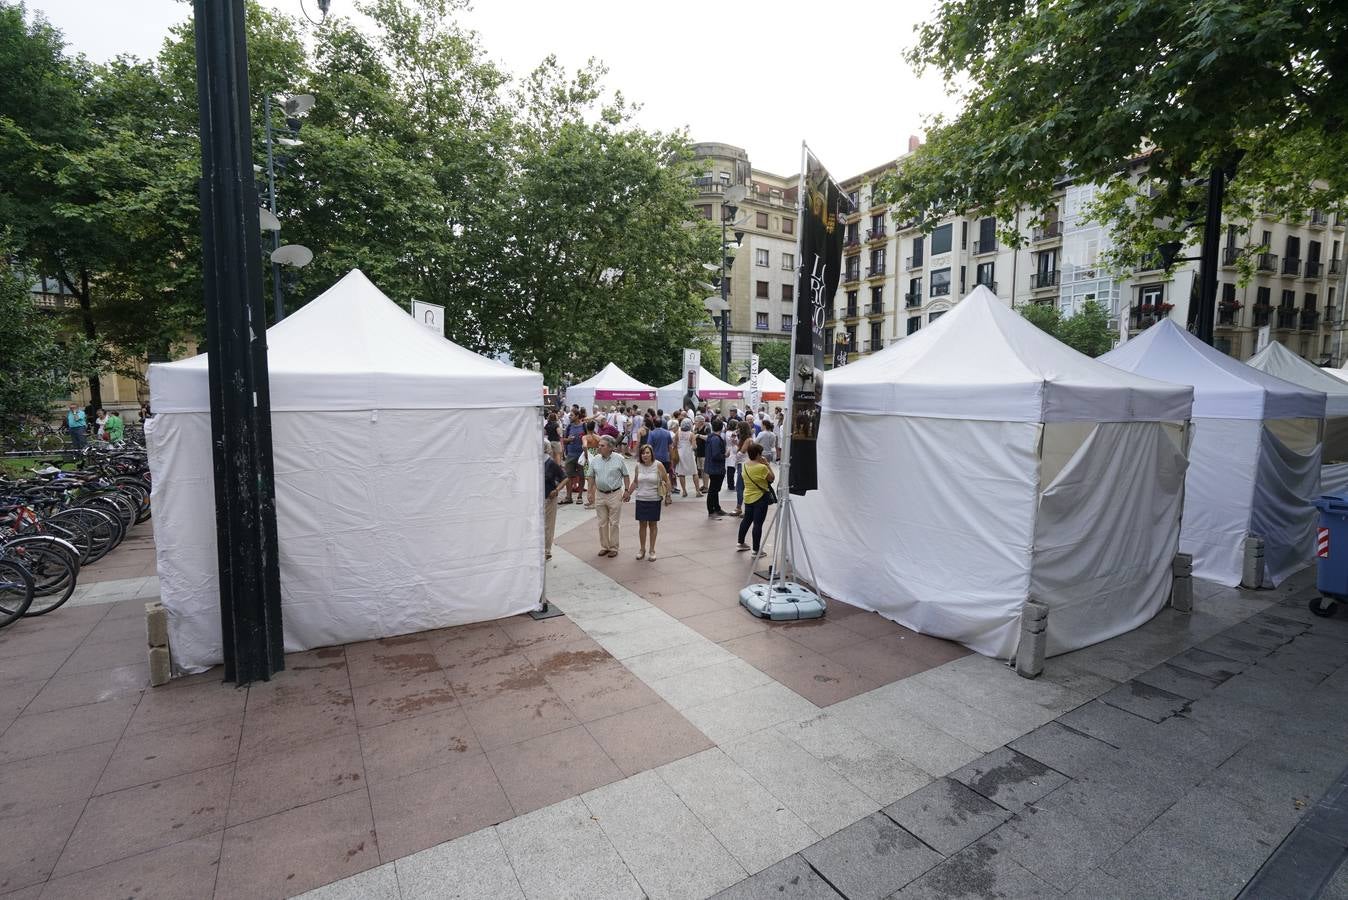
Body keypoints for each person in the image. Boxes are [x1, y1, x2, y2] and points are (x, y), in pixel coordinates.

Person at [625, 443, 671, 560]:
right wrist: (628, 493)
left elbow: (666, 480)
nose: (645, 455)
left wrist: (668, 495)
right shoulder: (638, 466)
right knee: (642, 525)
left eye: (647, 452)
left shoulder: (658, 465)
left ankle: (652, 550)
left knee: (653, 525)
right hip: (641, 498)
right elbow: (635, 482)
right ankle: (642, 549)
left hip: (654, 499)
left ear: (651, 454)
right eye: (643, 453)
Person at [589, 436, 630, 558]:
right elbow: (591, 476)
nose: (599, 447)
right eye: (599, 445)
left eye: (602, 445)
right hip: (600, 494)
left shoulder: (619, 459)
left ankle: (613, 547)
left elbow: (626, 475)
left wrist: (627, 490)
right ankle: (604, 546)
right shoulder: (595, 460)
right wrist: (590, 492)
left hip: (615, 493)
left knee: (614, 522)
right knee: (602, 522)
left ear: (611, 447)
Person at [737, 443, 775, 557]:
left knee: (746, 520)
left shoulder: (744, 465)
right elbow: (772, 478)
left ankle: (740, 542)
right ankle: (756, 550)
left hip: (748, 496)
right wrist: (767, 464)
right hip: (760, 498)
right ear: (758, 454)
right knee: (758, 524)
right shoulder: (762, 467)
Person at [543, 439, 565, 559]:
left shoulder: (550, 463)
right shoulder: (533, 462)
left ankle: (547, 550)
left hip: (548, 499)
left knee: (548, 525)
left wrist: (556, 490)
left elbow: (564, 478)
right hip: (536, 500)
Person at [561, 414, 586, 503]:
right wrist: (568, 440)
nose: (569, 417)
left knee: (582, 476)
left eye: (572, 415)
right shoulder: (569, 427)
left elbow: (590, 437)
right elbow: (563, 440)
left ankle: (580, 497)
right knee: (568, 476)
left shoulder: (584, 426)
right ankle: (569, 497)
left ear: (577, 416)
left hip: (581, 455)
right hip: (570, 455)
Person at [704, 426, 727, 517]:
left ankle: (716, 508)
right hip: (716, 468)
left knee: (714, 489)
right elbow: (716, 455)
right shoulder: (716, 439)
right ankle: (711, 510)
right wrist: (725, 455)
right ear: (721, 428)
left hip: (713, 467)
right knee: (713, 489)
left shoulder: (711, 437)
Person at [732, 421, 753, 516]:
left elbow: (741, 453)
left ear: (742, 429)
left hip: (744, 465)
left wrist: (736, 453)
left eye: (738, 428)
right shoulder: (745, 439)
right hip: (744, 465)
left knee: (740, 487)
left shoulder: (748, 440)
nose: (737, 430)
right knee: (742, 487)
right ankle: (741, 508)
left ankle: (739, 508)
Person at [674, 420, 698, 498]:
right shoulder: (691, 434)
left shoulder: (678, 433)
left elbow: (674, 443)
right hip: (689, 454)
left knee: (681, 473)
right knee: (694, 472)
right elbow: (694, 446)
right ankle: (697, 491)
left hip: (680, 454)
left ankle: (684, 491)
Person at [693, 415, 711, 494]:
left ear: (701, 422)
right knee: (701, 470)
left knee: (705, 470)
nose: (695, 422)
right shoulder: (696, 429)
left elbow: (709, 438)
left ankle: (706, 487)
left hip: (705, 452)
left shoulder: (707, 428)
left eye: (696, 421)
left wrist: (699, 436)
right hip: (698, 452)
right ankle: (704, 485)